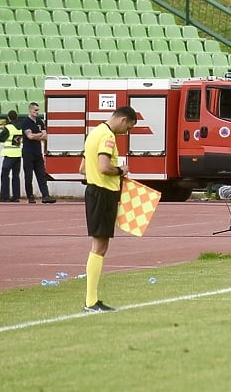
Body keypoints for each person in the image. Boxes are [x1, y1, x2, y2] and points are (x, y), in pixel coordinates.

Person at [79, 106, 137, 313]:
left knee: (99, 245)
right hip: (103, 194)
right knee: (100, 246)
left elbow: (82, 168)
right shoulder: (107, 136)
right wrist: (121, 170)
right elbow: (104, 166)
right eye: (128, 127)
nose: (127, 131)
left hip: (94, 192)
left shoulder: (93, 133)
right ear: (122, 120)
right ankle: (91, 301)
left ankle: (92, 300)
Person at [21, 102, 56, 204]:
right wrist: (39, 135)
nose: (37, 112)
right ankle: (30, 196)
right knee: (28, 175)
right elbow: (29, 136)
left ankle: (45, 195)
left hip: (37, 152)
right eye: (35, 110)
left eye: (38, 110)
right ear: (30, 110)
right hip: (28, 152)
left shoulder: (40, 122)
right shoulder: (25, 122)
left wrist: (37, 135)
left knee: (41, 174)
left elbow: (45, 136)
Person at [0, 110, 23, 202]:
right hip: (18, 154)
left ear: (8, 117)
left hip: (9, 154)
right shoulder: (20, 127)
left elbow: (0, 138)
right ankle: (16, 196)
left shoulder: (8, 127)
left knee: (5, 175)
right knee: (16, 176)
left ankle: (4, 196)